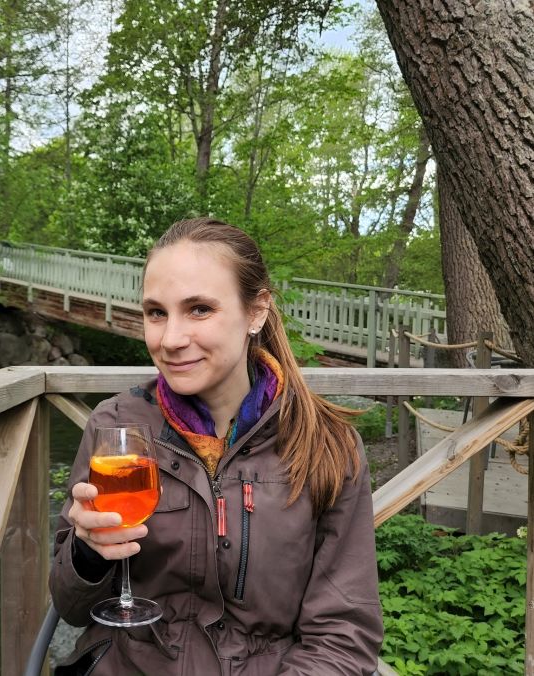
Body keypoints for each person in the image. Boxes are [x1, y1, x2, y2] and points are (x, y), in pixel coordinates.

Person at [50, 217, 383, 675]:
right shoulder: (116, 426)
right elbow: (69, 606)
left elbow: (343, 633)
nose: (170, 339)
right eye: (156, 313)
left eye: (199, 309)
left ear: (257, 310)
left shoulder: (327, 445)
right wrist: (86, 552)